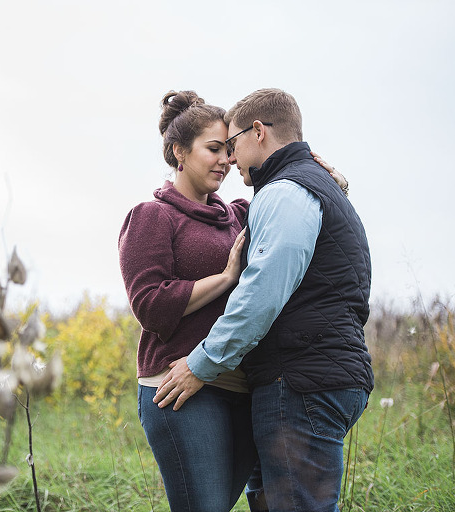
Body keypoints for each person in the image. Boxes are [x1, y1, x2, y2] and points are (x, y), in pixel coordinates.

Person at [118, 90, 347, 512]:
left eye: (228, 149)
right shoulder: (151, 216)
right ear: (178, 152)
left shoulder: (239, 213)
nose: (226, 160)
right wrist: (225, 278)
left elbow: (287, 197)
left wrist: (322, 171)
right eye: (213, 149)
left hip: (240, 386)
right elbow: (149, 304)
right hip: (180, 387)